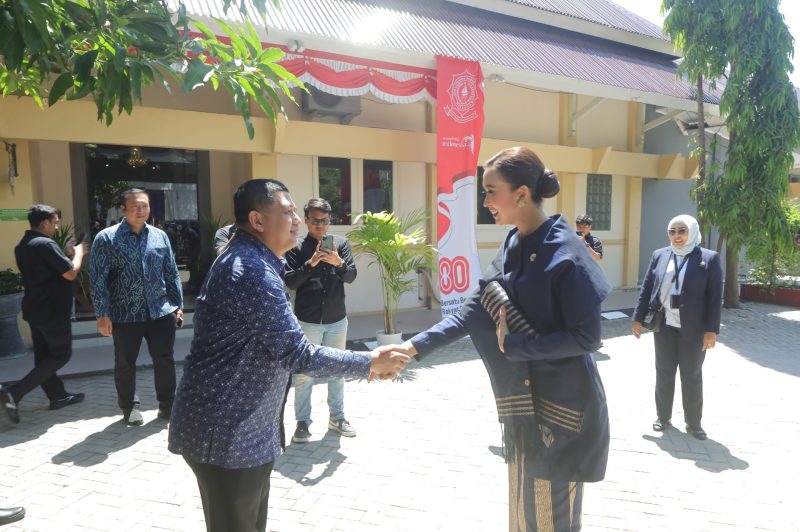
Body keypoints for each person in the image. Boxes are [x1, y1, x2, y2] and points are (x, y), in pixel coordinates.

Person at [389, 147, 611, 531]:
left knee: (552, 517)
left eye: (491, 191)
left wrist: (519, 347)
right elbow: (477, 308)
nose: (486, 201)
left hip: (564, 409)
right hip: (528, 409)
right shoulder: (515, 242)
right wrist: (413, 347)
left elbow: (588, 337)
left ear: (521, 194)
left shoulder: (565, 251)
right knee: (525, 513)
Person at [168, 179, 409, 532]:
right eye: (287, 211)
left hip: (242, 431)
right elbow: (297, 353)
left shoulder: (259, 262)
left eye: (296, 211)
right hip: (226, 433)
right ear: (258, 220)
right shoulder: (249, 270)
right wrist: (370, 363)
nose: (297, 219)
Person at [90, 188, 183, 426]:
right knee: (125, 363)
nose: (141, 211)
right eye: (135, 206)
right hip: (124, 313)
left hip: (160, 311)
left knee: (165, 359)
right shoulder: (107, 238)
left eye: (145, 206)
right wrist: (102, 313)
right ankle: (129, 407)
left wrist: (177, 305)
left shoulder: (159, 236)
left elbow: (171, 272)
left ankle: (167, 405)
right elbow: (98, 279)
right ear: (123, 209)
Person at [632, 214, 722, 440]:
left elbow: (714, 298)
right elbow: (647, 288)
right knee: (664, 373)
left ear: (692, 231)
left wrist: (711, 331)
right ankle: (663, 417)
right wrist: (637, 319)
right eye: (672, 231)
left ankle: (694, 423)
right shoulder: (660, 255)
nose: (677, 236)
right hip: (664, 326)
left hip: (694, 329)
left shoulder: (709, 258)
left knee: (691, 375)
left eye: (682, 231)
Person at [0, 205, 87, 425]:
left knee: (43, 357)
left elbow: (48, 270)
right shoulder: (45, 244)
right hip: (52, 311)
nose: (57, 225)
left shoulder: (24, 245)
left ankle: (57, 396)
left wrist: (64, 253)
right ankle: (13, 393)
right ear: (45, 222)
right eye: (55, 222)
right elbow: (70, 272)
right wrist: (78, 254)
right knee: (60, 355)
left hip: (34, 309)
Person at [285, 198, 358, 443]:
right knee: (305, 374)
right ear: (306, 220)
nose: (320, 225)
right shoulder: (295, 247)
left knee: (338, 370)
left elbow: (351, 277)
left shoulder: (341, 244)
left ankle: (337, 418)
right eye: (315, 220)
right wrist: (312, 262)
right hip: (308, 321)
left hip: (337, 320)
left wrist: (338, 262)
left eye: (324, 221)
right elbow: (290, 281)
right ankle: (303, 422)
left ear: (330, 221)